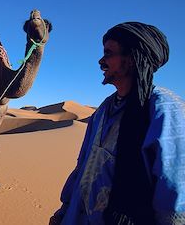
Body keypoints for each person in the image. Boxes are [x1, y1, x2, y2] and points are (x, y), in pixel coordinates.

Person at [50, 22, 185, 224]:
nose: (101, 61)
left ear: (131, 59)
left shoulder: (165, 108)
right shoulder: (104, 109)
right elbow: (83, 167)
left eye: (108, 53)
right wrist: (63, 212)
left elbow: (174, 195)